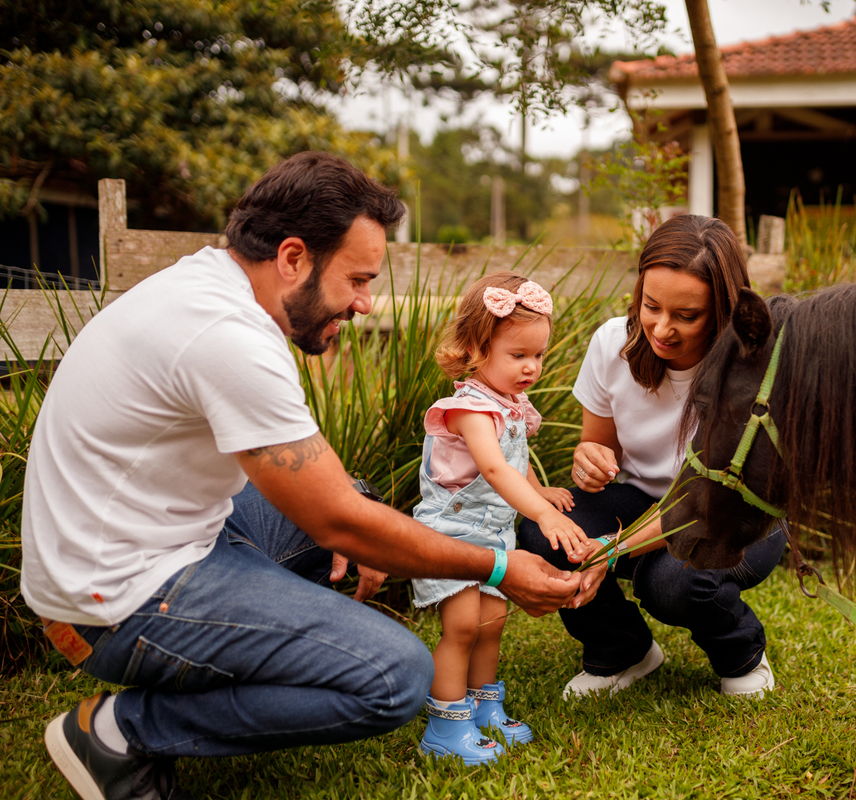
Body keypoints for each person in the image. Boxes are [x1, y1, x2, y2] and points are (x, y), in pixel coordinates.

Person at [22, 152, 581, 800]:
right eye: (358, 279)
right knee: (395, 675)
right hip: (112, 596)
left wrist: (352, 518)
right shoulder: (226, 335)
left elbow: (325, 492)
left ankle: (210, 662)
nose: (367, 304)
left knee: (355, 513)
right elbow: (335, 516)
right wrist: (498, 568)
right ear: (292, 258)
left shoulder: (210, 288)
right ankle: (121, 731)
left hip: (155, 532)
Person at [517, 214, 787, 699]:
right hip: (640, 498)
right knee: (544, 534)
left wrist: (611, 550)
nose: (662, 328)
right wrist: (589, 458)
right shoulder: (611, 344)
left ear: (724, 310)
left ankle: (742, 653)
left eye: (687, 316)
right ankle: (623, 651)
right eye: (651, 306)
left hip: (730, 514)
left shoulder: (750, 369)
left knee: (672, 583)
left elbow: (706, 501)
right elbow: (600, 446)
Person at [411, 272, 588, 764]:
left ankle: (486, 708)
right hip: (452, 531)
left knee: (492, 623)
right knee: (463, 625)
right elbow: (490, 466)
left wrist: (540, 491)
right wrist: (540, 515)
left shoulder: (511, 406)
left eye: (538, 356)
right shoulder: (468, 408)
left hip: (493, 532)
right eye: (518, 355)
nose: (531, 367)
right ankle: (446, 726)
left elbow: (515, 464)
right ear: (476, 348)